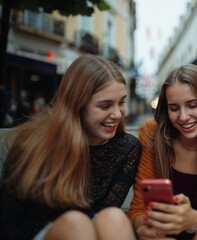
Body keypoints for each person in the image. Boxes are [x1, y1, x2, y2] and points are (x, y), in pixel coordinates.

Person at [0, 54, 141, 240]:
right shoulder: (33, 142)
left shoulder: (127, 147)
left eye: (121, 102)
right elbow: (8, 220)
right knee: (76, 224)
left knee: (114, 218)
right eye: (105, 105)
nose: (117, 114)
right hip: (37, 234)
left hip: (92, 231)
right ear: (78, 104)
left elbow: (104, 213)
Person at [128, 64, 197, 240]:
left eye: (193, 105)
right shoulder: (152, 134)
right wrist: (144, 227)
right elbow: (139, 208)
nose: (183, 116)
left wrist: (193, 220)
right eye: (174, 108)